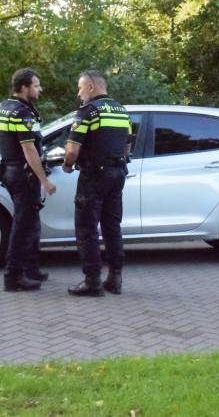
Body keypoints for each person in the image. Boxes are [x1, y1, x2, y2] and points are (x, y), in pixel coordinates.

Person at [62, 70, 131, 297]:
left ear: (91, 87)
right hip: (118, 173)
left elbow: (72, 149)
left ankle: (92, 281)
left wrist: (68, 165)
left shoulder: (88, 112)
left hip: (94, 176)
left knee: (87, 229)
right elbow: (127, 145)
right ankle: (115, 278)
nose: (79, 92)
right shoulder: (121, 111)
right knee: (112, 227)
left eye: (80, 87)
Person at [0, 68, 56, 291]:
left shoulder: (3, 107)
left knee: (30, 221)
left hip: (11, 170)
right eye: (36, 85)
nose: (40, 89)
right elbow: (29, 149)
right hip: (24, 174)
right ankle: (14, 277)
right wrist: (44, 180)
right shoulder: (22, 113)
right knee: (22, 225)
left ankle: (31, 269)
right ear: (24, 87)